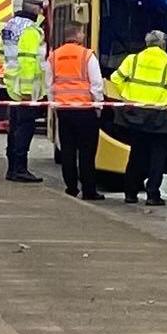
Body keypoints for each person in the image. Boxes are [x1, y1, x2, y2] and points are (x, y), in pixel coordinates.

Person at [108, 30, 167, 206]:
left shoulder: (132, 60)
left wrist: (128, 95)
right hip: (160, 117)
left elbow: (115, 79)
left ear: (147, 43)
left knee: (136, 155)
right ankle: (152, 195)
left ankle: (130, 193)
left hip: (136, 115)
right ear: (163, 44)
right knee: (158, 158)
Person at [47, 23, 104, 201]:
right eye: (82, 32)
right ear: (78, 35)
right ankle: (89, 190)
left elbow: (49, 84)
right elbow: (96, 84)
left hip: (64, 110)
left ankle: (71, 187)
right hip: (85, 110)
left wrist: (54, 105)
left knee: (68, 150)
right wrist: (98, 105)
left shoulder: (54, 56)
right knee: (87, 153)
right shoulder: (87, 56)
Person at [0, 0, 47, 183]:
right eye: (41, 9)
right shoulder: (30, 31)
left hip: (12, 84)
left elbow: (4, 55)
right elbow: (28, 60)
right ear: (35, 10)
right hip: (24, 87)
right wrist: (28, 90)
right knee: (25, 128)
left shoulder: (10, 26)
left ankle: (12, 168)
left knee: (14, 127)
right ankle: (20, 168)